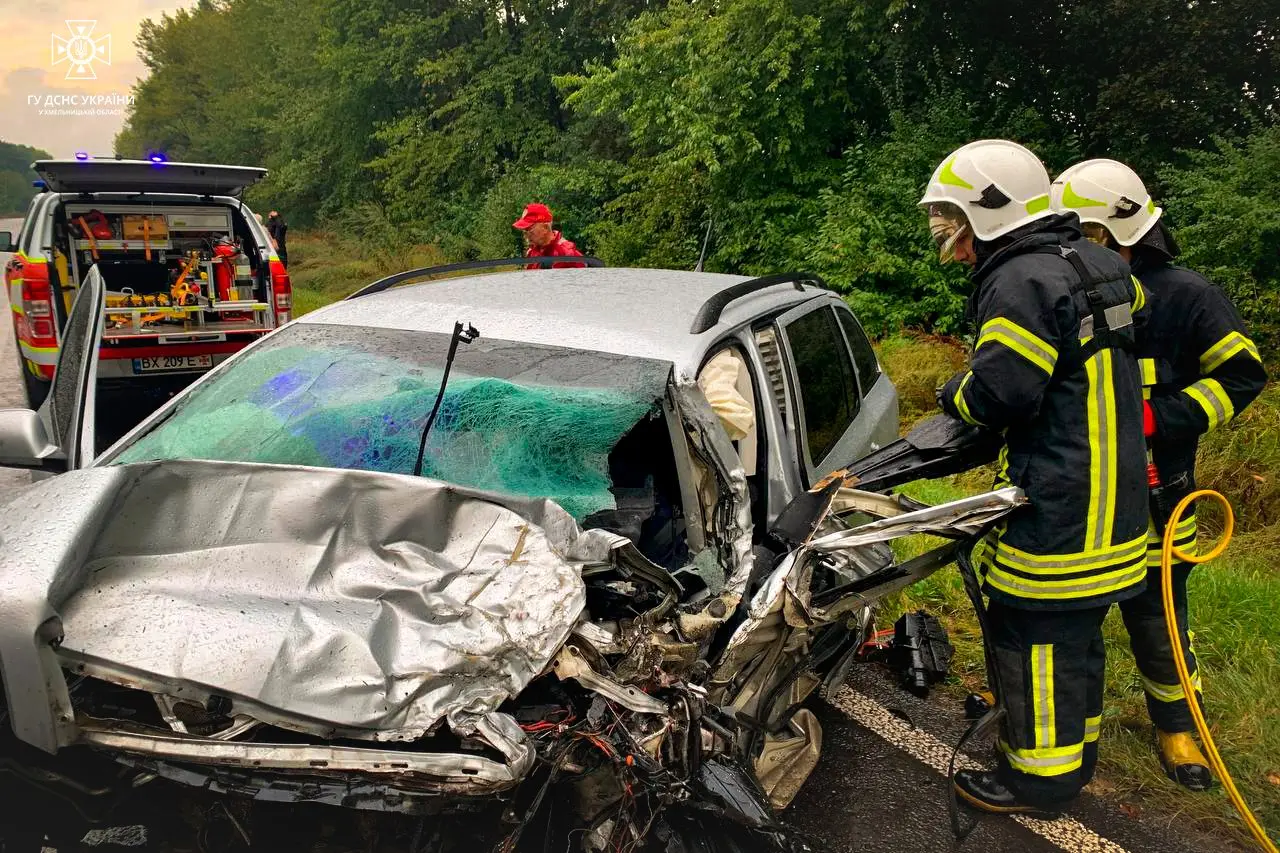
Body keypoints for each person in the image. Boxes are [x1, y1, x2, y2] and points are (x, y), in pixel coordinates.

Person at [921, 140, 1150, 815]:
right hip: (1119, 503)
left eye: (958, 230)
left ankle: (1039, 782)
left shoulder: (1020, 281)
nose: (957, 250)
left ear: (991, 215)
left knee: (1033, 636)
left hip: (1061, 506)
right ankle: (1075, 757)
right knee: (1079, 638)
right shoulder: (1099, 262)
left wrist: (952, 391)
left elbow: (1002, 393)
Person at [1051, 159, 1266, 790]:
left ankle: (1177, 727)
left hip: (1159, 493)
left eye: (1083, 235)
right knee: (1075, 617)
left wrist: (1158, 416)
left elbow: (1242, 375)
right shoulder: (1061, 289)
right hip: (1081, 495)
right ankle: (1069, 738)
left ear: (1118, 232)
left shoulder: (1189, 295)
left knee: (1159, 618)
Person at [512, 202, 586, 269]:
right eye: (524, 230)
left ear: (545, 228)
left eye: (529, 229)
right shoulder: (532, 251)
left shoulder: (567, 255)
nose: (526, 235)